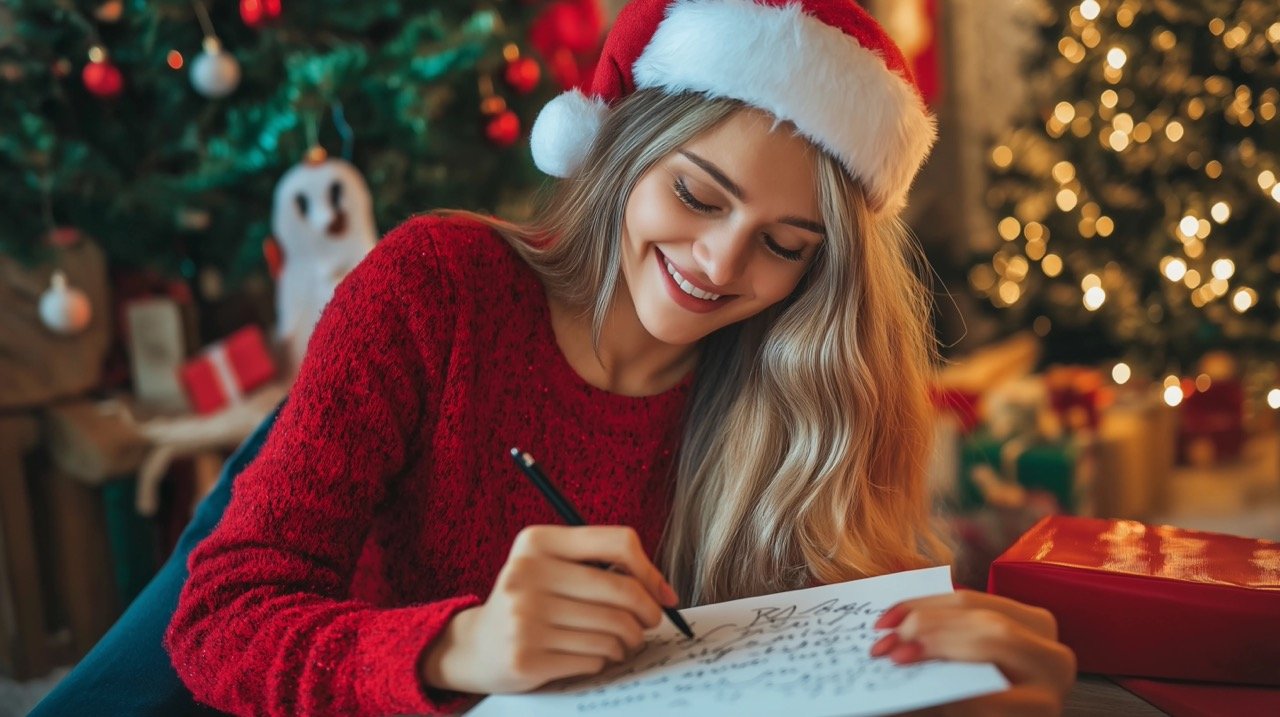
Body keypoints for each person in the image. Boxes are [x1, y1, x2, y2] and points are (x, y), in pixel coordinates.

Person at [164, 0, 1076, 715]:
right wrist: (459, 647)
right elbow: (219, 621)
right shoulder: (435, 290)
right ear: (620, 150)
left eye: (785, 245)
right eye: (695, 193)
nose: (721, 265)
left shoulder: (809, 388)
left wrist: (936, 678)